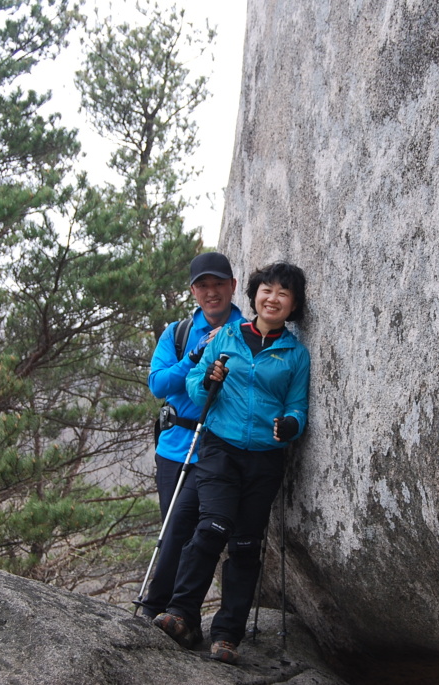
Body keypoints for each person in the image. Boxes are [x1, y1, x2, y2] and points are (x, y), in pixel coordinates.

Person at [152, 261, 310, 665]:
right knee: (212, 527)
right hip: (220, 450)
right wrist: (208, 380)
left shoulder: (295, 354)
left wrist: (291, 424)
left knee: (245, 545)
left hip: (265, 459)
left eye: (283, 295)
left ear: (293, 306)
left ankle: (227, 635)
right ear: (254, 295)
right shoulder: (226, 337)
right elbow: (192, 382)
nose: (273, 299)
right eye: (267, 291)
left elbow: (298, 405)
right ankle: (181, 613)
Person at [139, 252, 243, 628]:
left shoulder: (247, 331)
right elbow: (158, 384)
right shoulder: (178, 334)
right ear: (193, 291)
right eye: (204, 286)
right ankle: (175, 616)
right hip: (175, 446)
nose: (212, 292)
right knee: (174, 532)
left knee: (201, 535)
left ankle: (167, 611)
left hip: (221, 449)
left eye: (219, 284)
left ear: (233, 286)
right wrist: (196, 356)